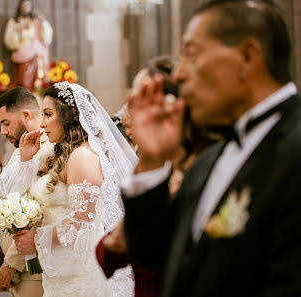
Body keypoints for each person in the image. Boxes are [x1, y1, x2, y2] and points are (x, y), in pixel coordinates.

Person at [123, 1, 301, 297]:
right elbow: (156, 258)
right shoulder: (207, 164)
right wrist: (152, 161)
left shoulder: (294, 149)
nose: (178, 75)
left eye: (191, 54)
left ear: (247, 56)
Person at [96, 56, 219, 297]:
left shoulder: (212, 163)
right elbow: (107, 257)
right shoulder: (150, 168)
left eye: (145, 98)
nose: (131, 108)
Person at [1, 82, 137, 297]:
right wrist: (26, 159)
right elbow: (22, 196)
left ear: (70, 114)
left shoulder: (82, 157)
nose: (43, 123)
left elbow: (83, 222)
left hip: (79, 274)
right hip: (60, 270)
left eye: (48, 114)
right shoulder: (58, 155)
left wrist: (36, 241)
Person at [0, 87, 53, 297]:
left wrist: (12, 262)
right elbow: (6, 203)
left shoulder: (48, 150)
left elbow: (38, 213)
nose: (2, 131)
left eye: (5, 122)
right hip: (19, 262)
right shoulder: (19, 151)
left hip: (32, 266)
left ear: (26, 115)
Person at [4, 0, 53, 91]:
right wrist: (19, 31)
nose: (26, 8)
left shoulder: (36, 20)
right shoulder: (15, 22)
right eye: (24, 6)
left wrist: (43, 23)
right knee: (25, 84)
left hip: (37, 56)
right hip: (23, 56)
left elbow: (46, 38)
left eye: (28, 6)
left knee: (39, 84)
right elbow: (9, 40)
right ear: (20, 7)